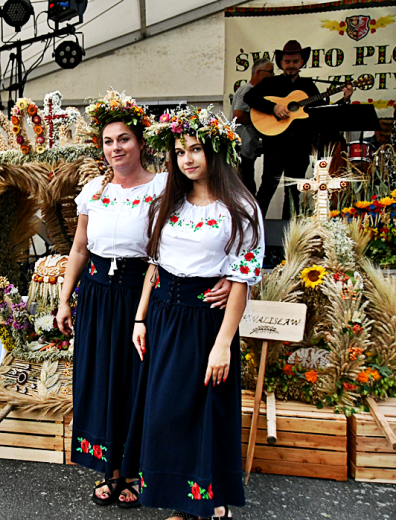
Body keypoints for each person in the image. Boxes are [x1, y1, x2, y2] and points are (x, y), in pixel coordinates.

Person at [55, 91, 231, 508]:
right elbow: (79, 248)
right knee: (100, 379)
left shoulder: (165, 185)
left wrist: (228, 277)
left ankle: (136, 472)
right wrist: (65, 299)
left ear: (140, 143)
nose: (115, 148)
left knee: (139, 382)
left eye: (124, 140)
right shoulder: (93, 190)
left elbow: (202, 231)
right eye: (108, 141)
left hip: (143, 293)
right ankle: (109, 469)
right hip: (96, 294)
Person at [131, 106, 265, 520]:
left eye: (195, 149)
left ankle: (207, 503)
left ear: (216, 151)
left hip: (206, 321)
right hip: (164, 317)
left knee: (203, 412)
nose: (186, 159)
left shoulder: (239, 208)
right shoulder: (166, 204)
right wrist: (140, 318)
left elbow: (240, 282)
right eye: (178, 151)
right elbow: (153, 266)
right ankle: (178, 497)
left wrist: (223, 344)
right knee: (165, 411)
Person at [245, 40, 352, 218]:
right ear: (281, 63)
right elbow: (250, 96)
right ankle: (255, 230)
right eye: (287, 62)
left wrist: (344, 99)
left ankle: (288, 235)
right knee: (267, 187)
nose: (291, 66)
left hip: (299, 147)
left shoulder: (308, 87)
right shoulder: (271, 83)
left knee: (294, 192)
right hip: (276, 145)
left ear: (301, 62)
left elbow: (323, 113)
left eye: (295, 61)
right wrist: (274, 108)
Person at [230, 57, 274, 195]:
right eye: (270, 72)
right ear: (259, 72)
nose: (272, 76)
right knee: (247, 188)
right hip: (242, 147)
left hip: (248, 148)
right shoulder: (247, 90)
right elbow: (237, 115)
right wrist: (260, 120)